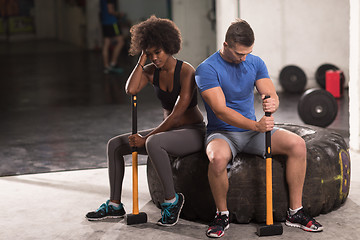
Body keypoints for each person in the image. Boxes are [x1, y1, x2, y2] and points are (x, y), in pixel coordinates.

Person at [195, 19, 323, 238]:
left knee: (297, 144)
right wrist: (256, 124)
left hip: (253, 132)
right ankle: (222, 214)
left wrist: (272, 101)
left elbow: (270, 93)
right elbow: (221, 111)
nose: (244, 58)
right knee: (216, 159)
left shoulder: (255, 62)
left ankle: (295, 212)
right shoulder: (206, 69)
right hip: (223, 133)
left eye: (248, 53)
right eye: (239, 54)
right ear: (225, 45)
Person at [86, 15, 205, 226]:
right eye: (149, 54)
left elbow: (177, 114)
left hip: (192, 132)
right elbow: (130, 89)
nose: (154, 58)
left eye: (157, 52)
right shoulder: (150, 71)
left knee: (152, 142)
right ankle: (114, 205)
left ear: (169, 47)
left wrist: (146, 137)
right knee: (115, 145)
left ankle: (172, 201)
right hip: (168, 134)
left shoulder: (186, 71)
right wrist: (141, 58)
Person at [100, 0, 125, 74]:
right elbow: (110, 11)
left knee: (106, 43)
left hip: (104, 23)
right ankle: (113, 64)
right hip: (112, 23)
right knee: (121, 42)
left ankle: (106, 67)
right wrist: (119, 14)